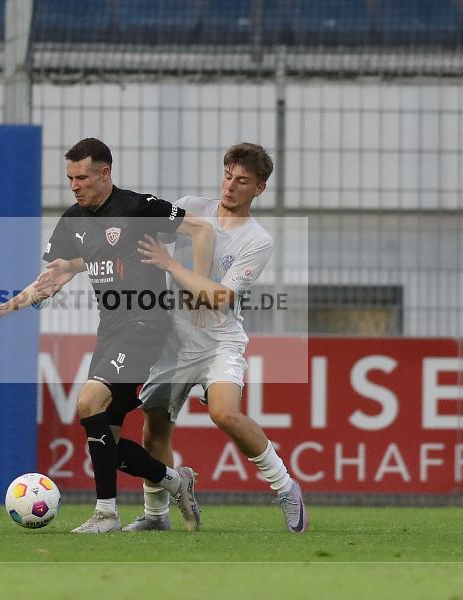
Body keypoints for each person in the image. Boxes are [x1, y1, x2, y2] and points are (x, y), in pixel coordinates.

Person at [0, 138, 213, 533]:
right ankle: (175, 481)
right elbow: (52, 280)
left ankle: (105, 514)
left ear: (105, 173)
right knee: (108, 444)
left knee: (88, 399)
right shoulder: (73, 221)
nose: (75, 185)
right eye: (69, 178)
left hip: (145, 325)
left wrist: (201, 289)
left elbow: (201, 230)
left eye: (82, 177)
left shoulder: (137, 208)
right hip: (111, 331)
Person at [125, 142, 309, 533]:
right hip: (173, 341)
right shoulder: (193, 206)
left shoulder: (256, 241)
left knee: (224, 412)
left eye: (242, 180)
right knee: (154, 428)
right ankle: (156, 515)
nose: (230, 185)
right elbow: (144, 237)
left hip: (218, 340)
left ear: (259, 188)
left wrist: (171, 264)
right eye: (227, 175)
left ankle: (285, 486)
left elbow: (219, 296)